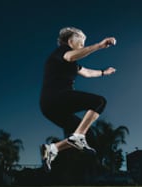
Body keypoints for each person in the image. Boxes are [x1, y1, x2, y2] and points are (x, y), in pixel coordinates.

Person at [40, 27, 116, 171]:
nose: (83, 45)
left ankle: (53, 149)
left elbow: (86, 72)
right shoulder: (62, 51)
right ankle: (77, 137)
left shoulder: (71, 62)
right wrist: (99, 46)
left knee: (85, 132)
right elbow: (70, 56)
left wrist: (104, 72)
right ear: (70, 41)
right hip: (56, 97)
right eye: (81, 42)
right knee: (99, 101)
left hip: (50, 107)